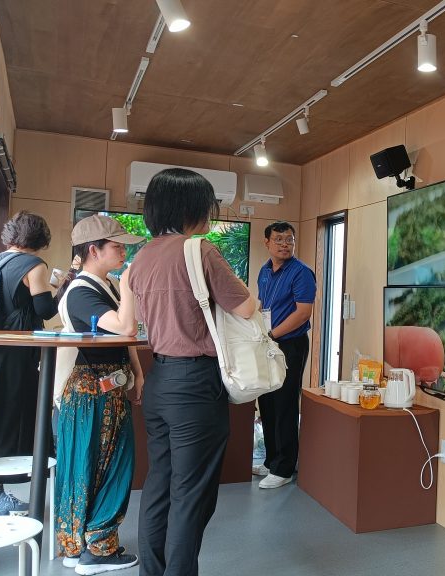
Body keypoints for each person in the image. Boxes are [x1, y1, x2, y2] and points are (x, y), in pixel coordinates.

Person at [126, 168, 258, 576]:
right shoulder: (199, 251)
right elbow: (246, 307)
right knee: (191, 496)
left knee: (159, 487)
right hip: (196, 386)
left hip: (160, 381)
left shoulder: (141, 257)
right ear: (191, 209)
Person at [53, 215, 144, 573]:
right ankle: (98, 549)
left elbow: (124, 336)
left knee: (93, 466)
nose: (124, 252)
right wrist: (130, 285)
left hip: (105, 390)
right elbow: (125, 326)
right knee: (100, 468)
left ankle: (79, 547)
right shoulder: (81, 292)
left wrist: (137, 373)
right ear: (94, 250)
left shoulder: (105, 285)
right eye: (117, 246)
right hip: (91, 393)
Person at [0, 211, 57, 515]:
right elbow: (45, 309)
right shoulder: (34, 265)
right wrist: (59, 286)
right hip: (18, 354)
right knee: (8, 421)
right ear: (39, 238)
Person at [255, 221, 316, 489]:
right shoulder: (264, 271)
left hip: (290, 344)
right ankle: (271, 461)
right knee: (267, 400)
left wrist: (272, 334)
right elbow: (263, 305)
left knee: (285, 404)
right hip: (268, 342)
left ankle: (284, 468)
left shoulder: (301, 273)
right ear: (267, 242)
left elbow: (303, 313)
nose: (285, 244)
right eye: (279, 239)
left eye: (289, 240)